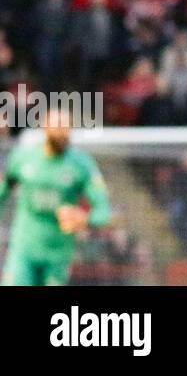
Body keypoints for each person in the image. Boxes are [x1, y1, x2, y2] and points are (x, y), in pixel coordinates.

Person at [1, 109, 113, 286]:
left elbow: (105, 211)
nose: (63, 131)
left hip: (58, 254)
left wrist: (86, 218)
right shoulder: (23, 159)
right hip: (24, 249)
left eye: (67, 126)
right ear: (45, 127)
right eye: (58, 125)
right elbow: (2, 192)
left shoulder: (81, 165)